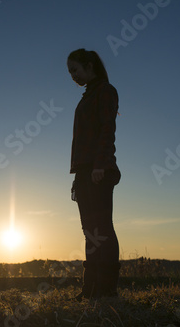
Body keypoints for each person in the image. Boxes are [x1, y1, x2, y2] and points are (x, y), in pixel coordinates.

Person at [67, 48, 121, 300]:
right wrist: (78, 174)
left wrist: (100, 165)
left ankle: (106, 289)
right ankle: (90, 289)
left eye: (75, 70)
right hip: (84, 172)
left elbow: (107, 130)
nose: (73, 76)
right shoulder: (86, 97)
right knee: (90, 231)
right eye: (70, 72)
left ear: (90, 66)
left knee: (102, 229)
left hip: (98, 170)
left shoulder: (105, 91)